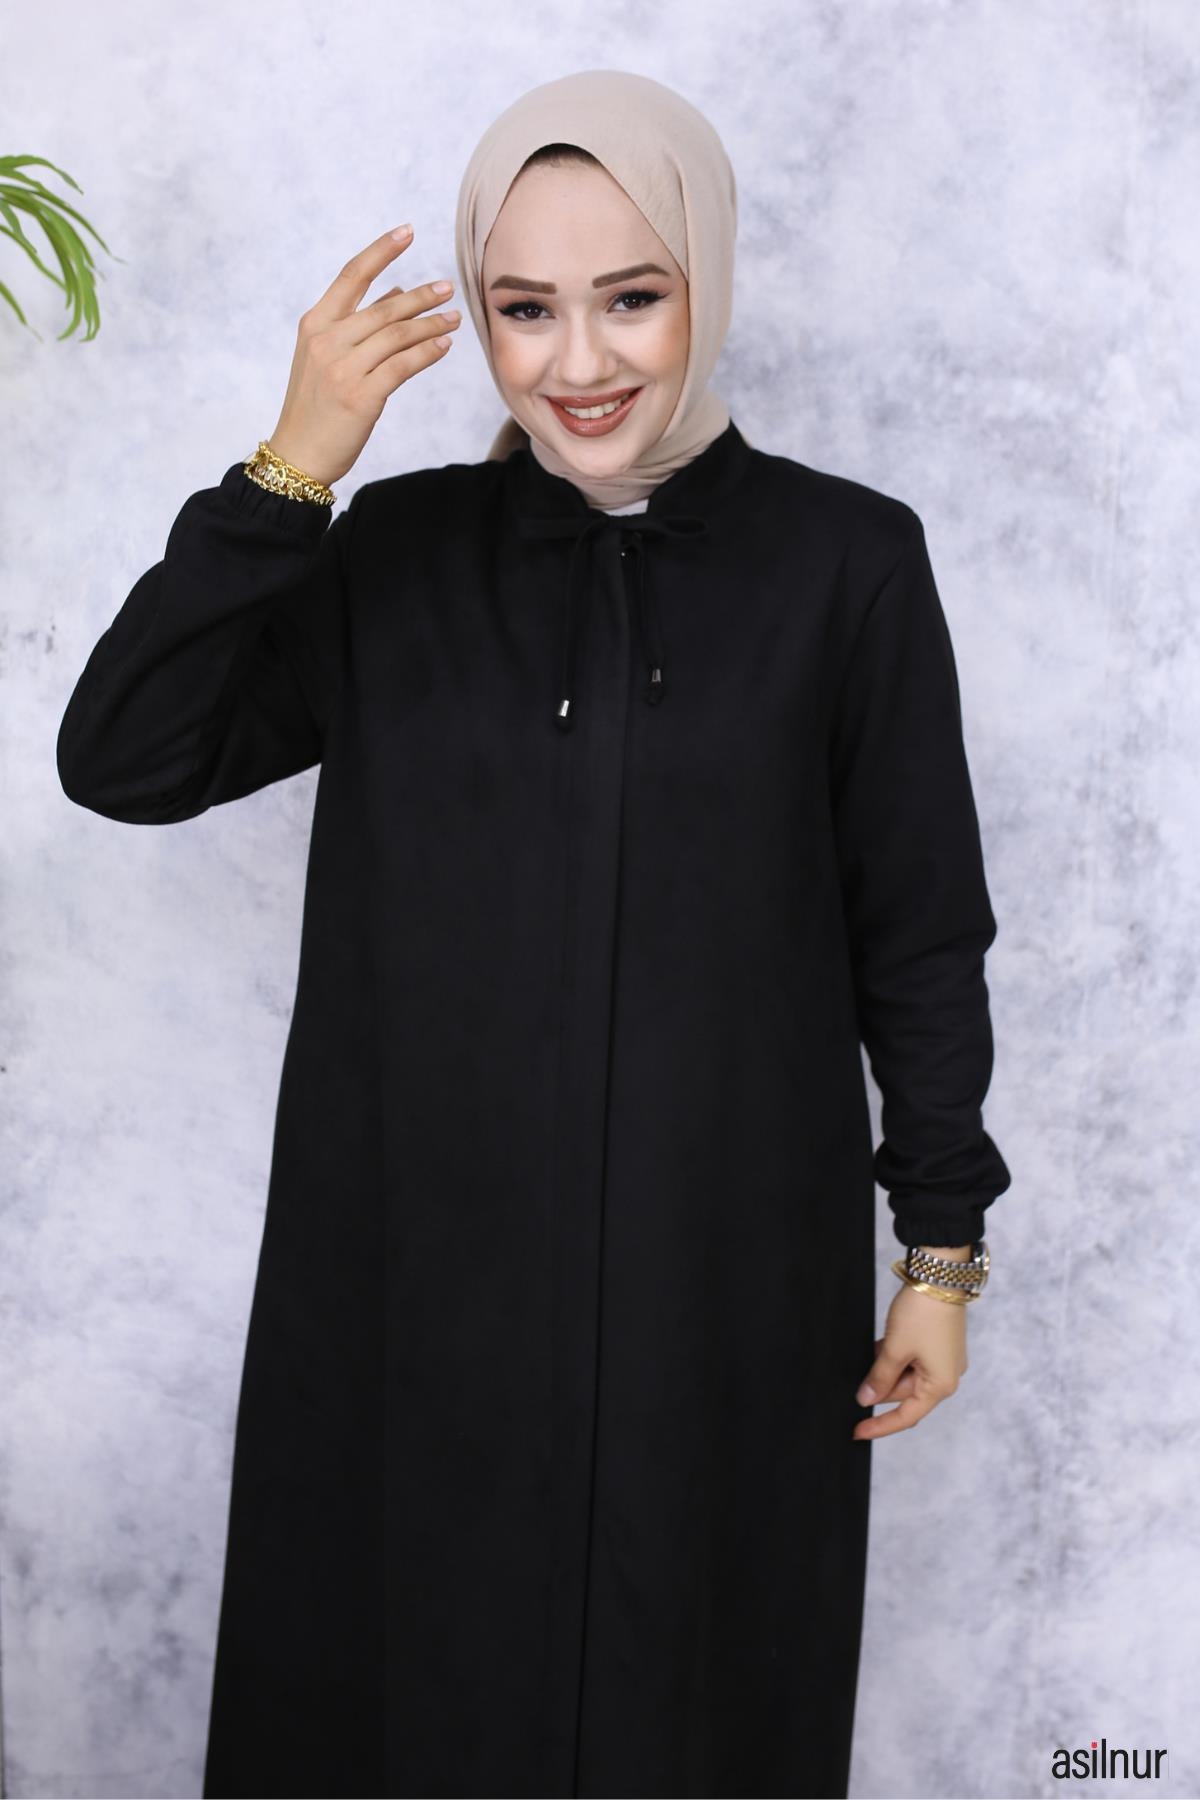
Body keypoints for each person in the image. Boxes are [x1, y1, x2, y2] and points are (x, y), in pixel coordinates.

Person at [56, 67, 1011, 1800]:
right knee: (398, 1709)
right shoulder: (399, 555)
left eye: (631, 298)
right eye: (524, 309)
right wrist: (293, 467)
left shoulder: (848, 565)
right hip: (416, 1300)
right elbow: (124, 759)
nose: (579, 362)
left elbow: (921, 932)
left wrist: (939, 1254)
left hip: (721, 1294)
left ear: (707, 279)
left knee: (694, 1716)